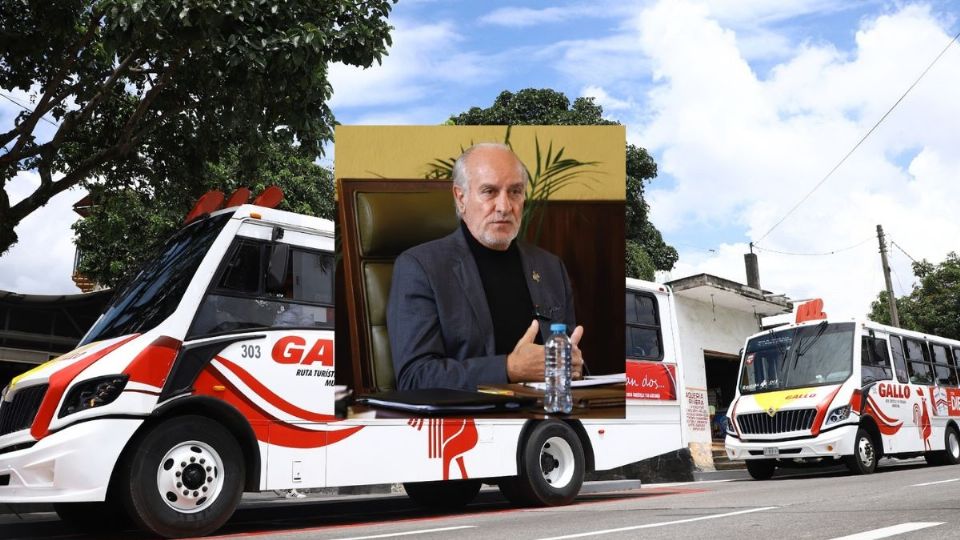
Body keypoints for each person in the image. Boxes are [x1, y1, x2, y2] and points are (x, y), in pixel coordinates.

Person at [387, 143, 585, 390]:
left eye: (515, 192)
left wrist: (574, 366)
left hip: (545, 415)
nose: (504, 207)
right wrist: (508, 369)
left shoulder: (550, 268)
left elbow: (568, 360)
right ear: (461, 197)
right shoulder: (421, 268)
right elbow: (415, 378)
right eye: (490, 191)